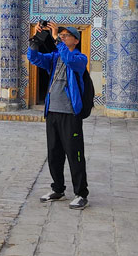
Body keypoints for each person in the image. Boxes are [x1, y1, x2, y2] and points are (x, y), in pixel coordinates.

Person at [26, 22, 90, 210]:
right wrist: (36, 40)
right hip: (52, 112)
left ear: (76, 40)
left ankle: (81, 193)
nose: (61, 37)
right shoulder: (54, 58)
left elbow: (69, 60)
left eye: (65, 35)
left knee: (74, 154)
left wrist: (55, 38)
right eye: (60, 34)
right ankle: (58, 189)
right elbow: (34, 58)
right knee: (54, 153)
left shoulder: (80, 58)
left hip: (70, 114)